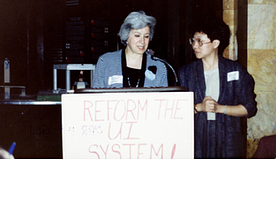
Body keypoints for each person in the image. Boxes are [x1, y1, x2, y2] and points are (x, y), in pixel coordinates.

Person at [178, 15, 257, 158]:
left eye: (200, 41)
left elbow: (249, 108)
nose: (195, 45)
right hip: (197, 138)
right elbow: (176, 112)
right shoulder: (185, 73)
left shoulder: (235, 71)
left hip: (228, 140)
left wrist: (220, 108)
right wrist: (199, 107)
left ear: (215, 43)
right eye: (193, 40)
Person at [92, 11, 168, 88]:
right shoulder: (105, 62)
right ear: (126, 36)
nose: (142, 41)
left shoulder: (159, 67)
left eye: (146, 36)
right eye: (137, 35)